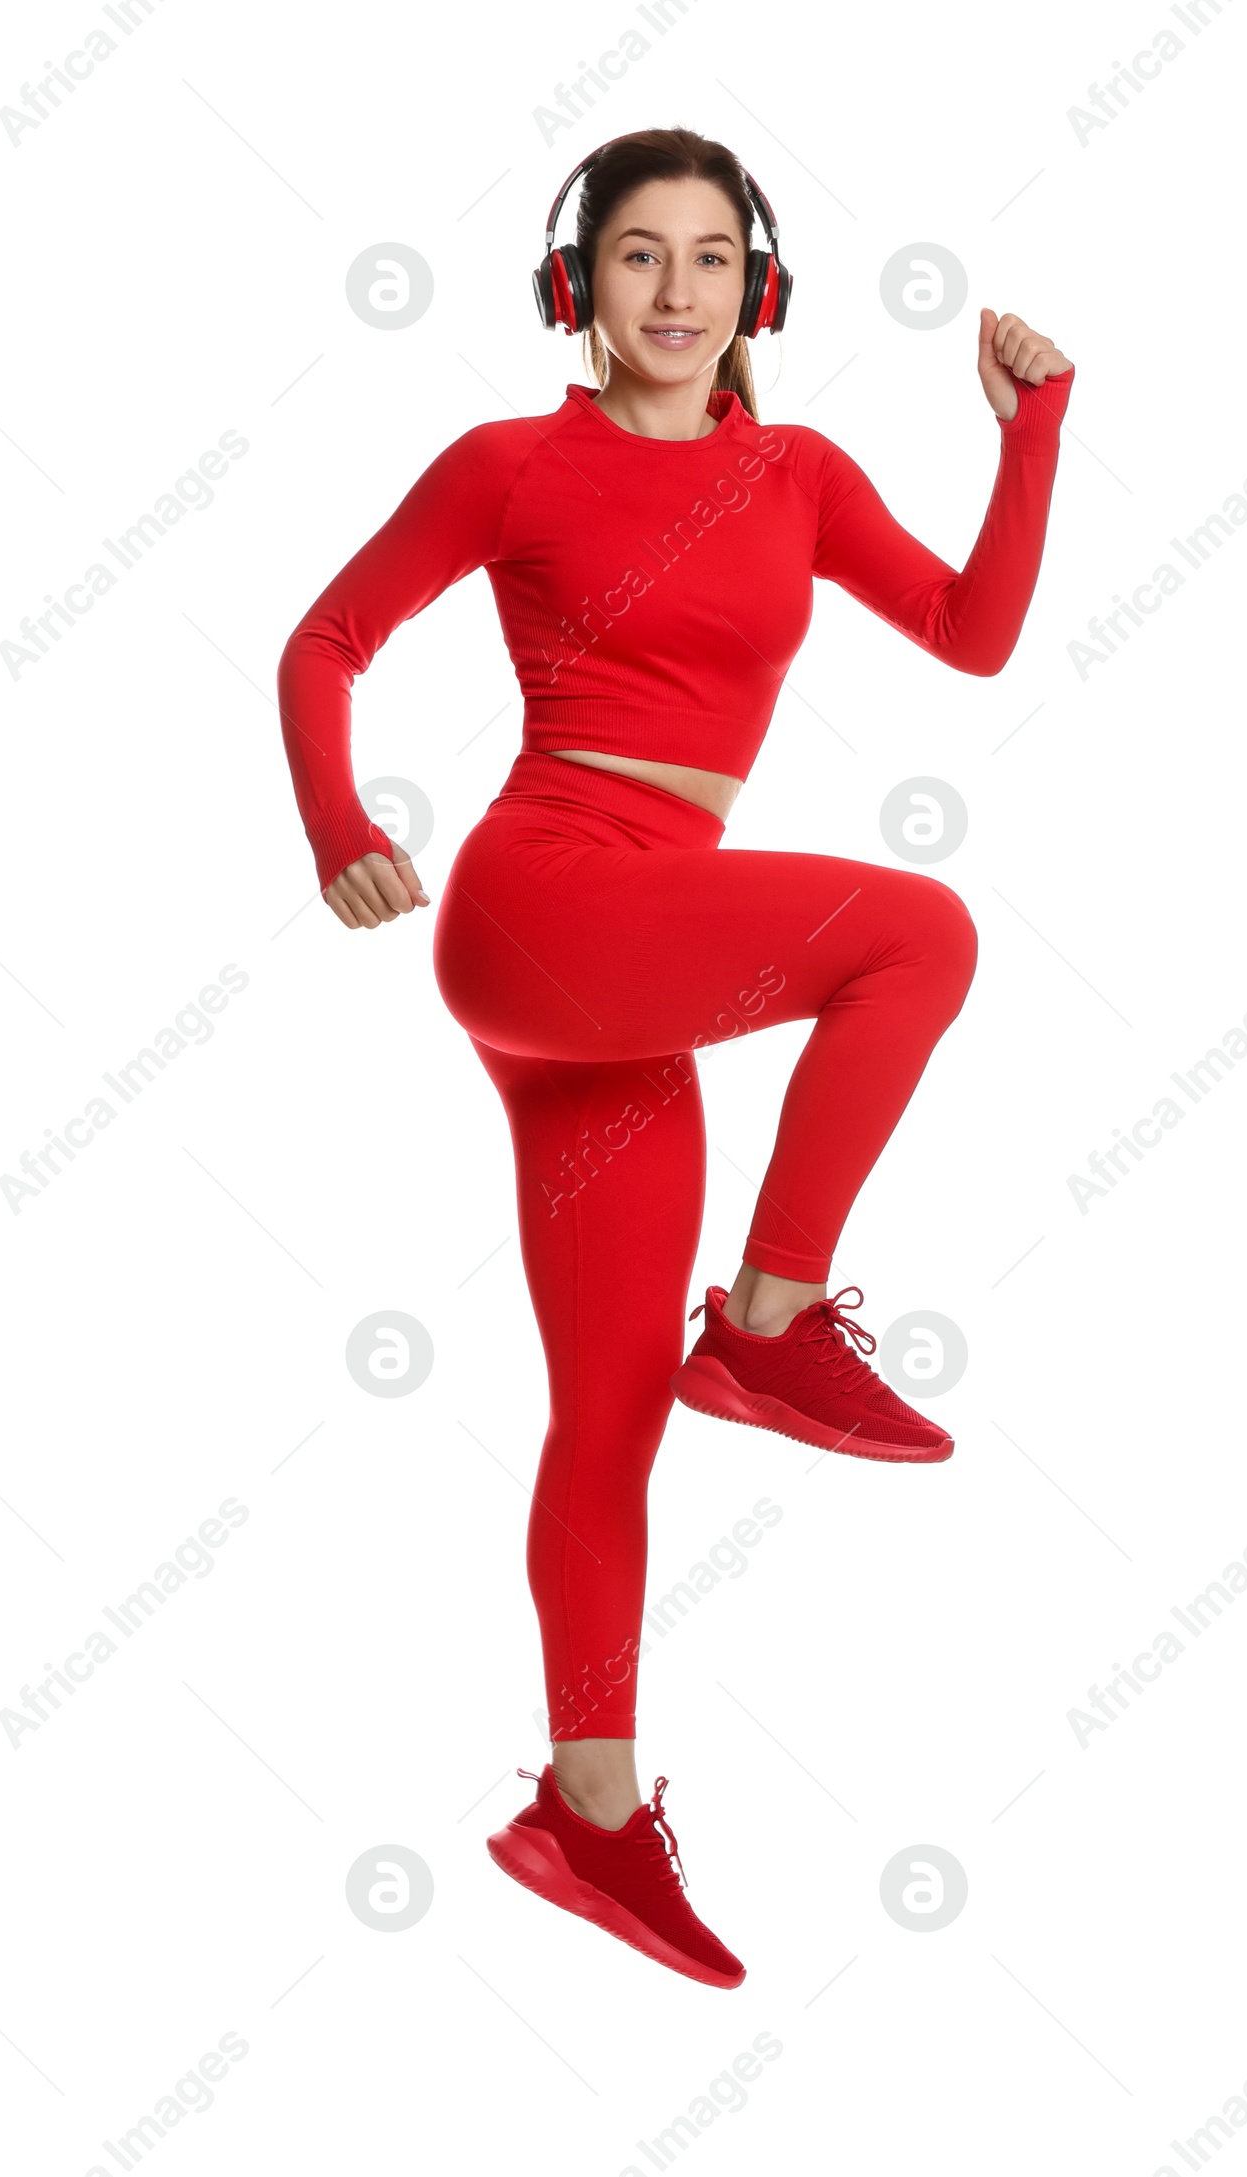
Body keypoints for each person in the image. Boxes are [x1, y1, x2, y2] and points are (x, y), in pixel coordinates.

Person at [275, 125, 1074, 1990]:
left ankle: (590, 1806)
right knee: (918, 930)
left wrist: (1026, 435)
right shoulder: (510, 465)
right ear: (579, 286)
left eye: (712, 259)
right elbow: (327, 641)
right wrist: (337, 825)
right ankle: (777, 1321)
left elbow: (970, 633)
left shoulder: (798, 473)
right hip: (546, 898)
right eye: (638, 256)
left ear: (758, 292)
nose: (676, 292)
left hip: (635, 971)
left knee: (613, 1405)